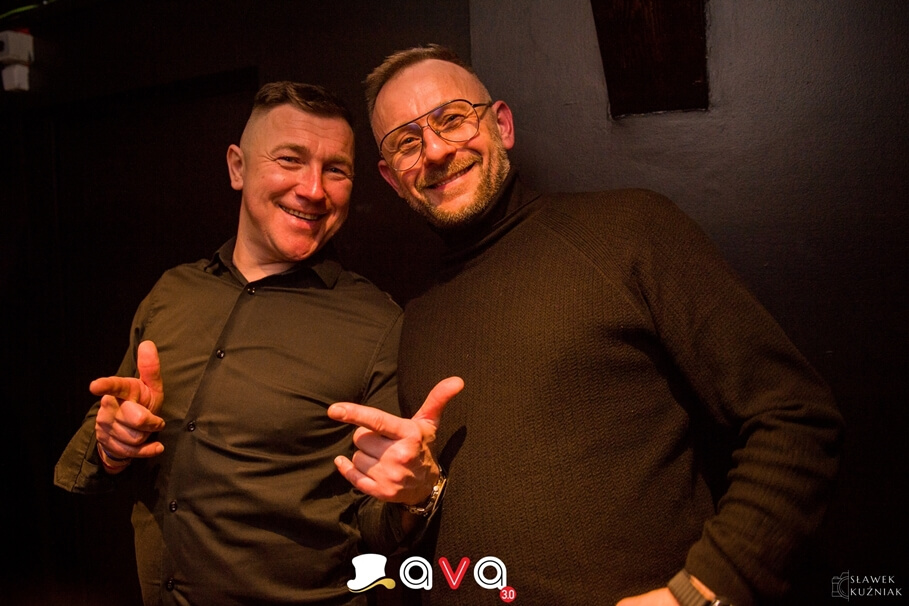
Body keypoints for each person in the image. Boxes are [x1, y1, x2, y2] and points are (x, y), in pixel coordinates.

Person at [330, 45, 844, 606]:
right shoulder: (417, 318)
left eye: (452, 119)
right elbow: (385, 526)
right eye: (406, 142)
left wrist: (702, 590)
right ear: (391, 177)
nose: (434, 150)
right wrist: (415, 498)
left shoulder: (629, 230)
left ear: (501, 125)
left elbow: (794, 415)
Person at [54, 81, 460, 606]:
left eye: (335, 170)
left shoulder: (377, 323)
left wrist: (415, 496)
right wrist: (113, 444)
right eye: (290, 160)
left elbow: (377, 518)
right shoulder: (172, 292)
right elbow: (110, 426)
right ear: (237, 167)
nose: (313, 189)